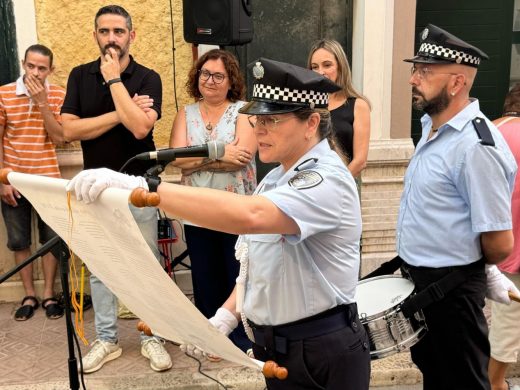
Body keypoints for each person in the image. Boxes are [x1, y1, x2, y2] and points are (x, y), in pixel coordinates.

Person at [66, 58, 371, 389]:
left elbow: (249, 215)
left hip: (321, 349)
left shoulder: (325, 178)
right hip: (280, 350)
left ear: (311, 122)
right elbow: (257, 269)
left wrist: (145, 189)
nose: (259, 129)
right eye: (256, 120)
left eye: (272, 120)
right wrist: (225, 317)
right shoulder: (277, 179)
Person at [399, 24, 518, 389]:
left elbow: (500, 243)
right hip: (425, 287)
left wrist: (480, 272)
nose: (413, 79)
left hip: (451, 294)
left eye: (424, 71)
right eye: (415, 69)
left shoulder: (475, 146)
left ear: (456, 83)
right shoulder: (433, 127)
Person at [60, 4, 172, 373]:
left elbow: (141, 129)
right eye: (104, 31)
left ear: (131, 35)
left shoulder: (148, 77)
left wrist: (114, 82)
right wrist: (121, 111)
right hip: (95, 188)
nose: (111, 38)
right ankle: (106, 339)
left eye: (118, 32)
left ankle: (150, 335)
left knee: (145, 263)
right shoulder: (79, 76)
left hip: (137, 185)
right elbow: (69, 131)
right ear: (95, 35)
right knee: (101, 267)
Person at [169, 48, 256, 352]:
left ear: (231, 81)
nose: (211, 80)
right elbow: (176, 160)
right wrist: (218, 152)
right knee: (205, 277)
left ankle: (241, 340)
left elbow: (241, 159)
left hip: (235, 209)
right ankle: (211, 340)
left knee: (237, 275)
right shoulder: (186, 113)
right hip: (197, 209)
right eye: (206, 74)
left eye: (219, 75)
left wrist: (197, 156)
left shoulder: (244, 111)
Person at [0, 44, 65, 321]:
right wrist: (2, 180)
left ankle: (49, 294)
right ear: (23, 64)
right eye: (31, 66)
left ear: (50, 70)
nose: (35, 73)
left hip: (48, 179)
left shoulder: (58, 94)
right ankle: (29, 294)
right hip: (13, 179)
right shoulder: (3, 94)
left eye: (42, 68)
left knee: (50, 240)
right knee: (19, 240)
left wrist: (42, 102)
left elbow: (60, 137)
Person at [488, 83, 520, 390]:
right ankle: (494, 383)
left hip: (493, 238)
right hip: (517, 241)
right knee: (511, 320)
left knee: (506, 316)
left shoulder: (489, 130)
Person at [308, 39, 370, 178]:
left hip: (343, 186)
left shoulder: (358, 105)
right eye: (315, 67)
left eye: (327, 65)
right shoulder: (306, 105)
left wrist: (335, 185)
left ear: (340, 67)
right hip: (307, 187)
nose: (320, 72)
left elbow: (360, 161)